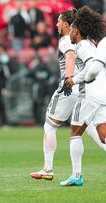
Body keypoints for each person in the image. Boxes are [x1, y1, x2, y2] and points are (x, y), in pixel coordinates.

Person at [29, 8, 105, 181]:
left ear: (66, 24)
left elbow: (70, 58)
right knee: (94, 129)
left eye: (58, 21)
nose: (56, 24)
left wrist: (68, 79)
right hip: (88, 88)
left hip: (73, 87)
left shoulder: (66, 41)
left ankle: (48, 168)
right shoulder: (89, 43)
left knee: (50, 126)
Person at [60, 6, 106, 186]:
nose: (69, 32)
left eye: (71, 29)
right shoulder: (91, 45)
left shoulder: (83, 46)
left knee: (75, 131)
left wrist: (74, 80)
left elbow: (91, 68)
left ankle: (76, 176)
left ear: (76, 31)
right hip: (102, 93)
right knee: (103, 134)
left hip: (90, 93)